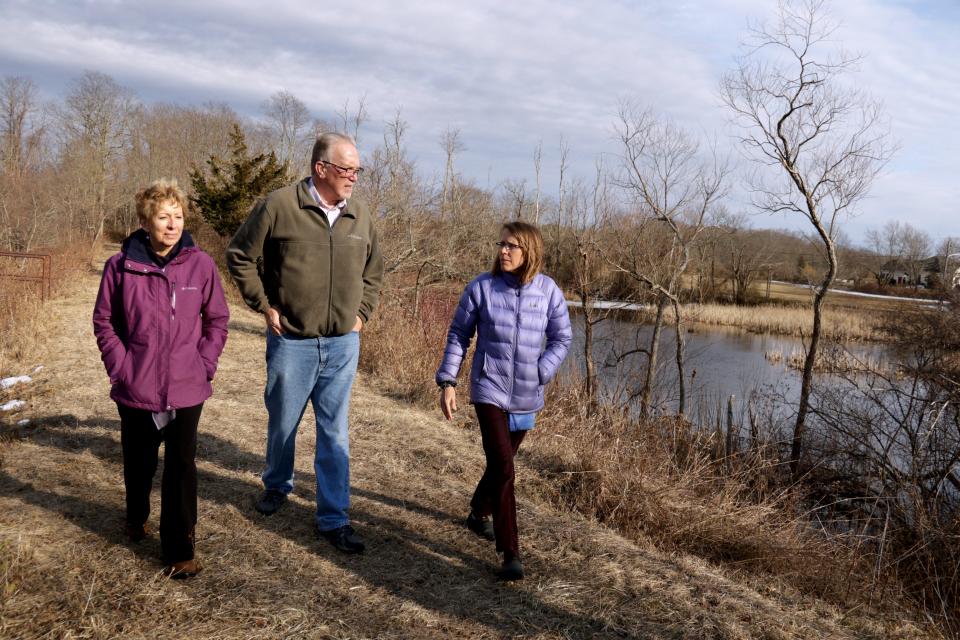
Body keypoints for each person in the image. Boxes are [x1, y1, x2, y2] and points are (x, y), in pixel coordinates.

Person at [226, 132, 383, 554]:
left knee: (335, 433)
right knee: (282, 423)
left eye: (356, 170)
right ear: (321, 168)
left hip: (342, 345)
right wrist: (263, 304)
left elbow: (374, 272)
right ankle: (277, 484)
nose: (354, 177)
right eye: (347, 169)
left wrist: (361, 314)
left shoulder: (361, 217)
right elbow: (239, 255)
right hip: (291, 341)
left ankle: (334, 517)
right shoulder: (279, 206)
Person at [92, 178, 229, 579]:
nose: (172, 225)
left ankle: (179, 548)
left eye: (179, 216)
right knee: (139, 463)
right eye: (163, 216)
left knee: (182, 466)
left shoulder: (201, 264)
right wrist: (121, 367)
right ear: (145, 221)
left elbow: (217, 319)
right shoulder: (120, 266)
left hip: (187, 386)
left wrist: (205, 364)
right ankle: (136, 515)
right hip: (136, 387)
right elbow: (104, 321)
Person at [436, 221, 572, 581]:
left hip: (528, 394)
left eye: (512, 246)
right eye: (502, 244)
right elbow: (458, 335)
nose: (503, 251)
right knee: (505, 468)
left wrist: (541, 370)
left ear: (530, 252)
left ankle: (479, 511)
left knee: (501, 465)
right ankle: (510, 550)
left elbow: (562, 338)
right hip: (489, 389)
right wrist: (448, 381)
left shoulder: (548, 291)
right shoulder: (482, 287)